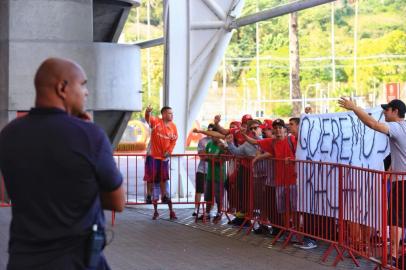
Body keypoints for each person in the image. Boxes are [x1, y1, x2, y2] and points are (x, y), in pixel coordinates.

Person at [0, 58, 125, 270]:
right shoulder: (89, 135)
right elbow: (117, 202)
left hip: (22, 259)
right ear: (62, 87)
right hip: (76, 261)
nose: (86, 92)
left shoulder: (9, 134)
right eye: (83, 84)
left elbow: (6, 192)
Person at [339, 97, 406, 265]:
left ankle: (392, 257)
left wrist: (354, 108)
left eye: (387, 109)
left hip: (403, 182)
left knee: (397, 220)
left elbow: (373, 125)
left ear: (395, 111)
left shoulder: (397, 127)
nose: (384, 112)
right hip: (401, 178)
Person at [144, 105, 178, 220]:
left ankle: (170, 208)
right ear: (163, 114)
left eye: (172, 113)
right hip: (152, 156)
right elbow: (148, 118)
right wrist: (147, 112)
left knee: (164, 179)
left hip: (164, 159)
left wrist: (169, 151)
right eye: (169, 113)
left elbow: (174, 141)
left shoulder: (173, 127)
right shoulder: (156, 121)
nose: (171, 115)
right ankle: (149, 198)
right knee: (151, 178)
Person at [193, 123, 215, 217]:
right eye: (208, 131)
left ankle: (209, 211)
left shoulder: (218, 142)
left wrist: (209, 156)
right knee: (199, 190)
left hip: (213, 171)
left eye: (211, 131)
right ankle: (196, 209)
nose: (209, 133)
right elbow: (201, 155)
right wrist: (212, 157)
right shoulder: (202, 141)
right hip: (202, 169)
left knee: (211, 192)